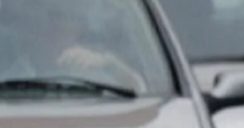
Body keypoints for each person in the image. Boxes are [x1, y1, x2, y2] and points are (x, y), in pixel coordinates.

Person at [0, 0, 145, 91]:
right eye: (46, 19)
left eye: (64, 19)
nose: (53, 28)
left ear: (78, 30)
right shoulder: (7, 77)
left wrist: (109, 64)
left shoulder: (97, 77)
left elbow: (142, 94)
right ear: (29, 29)